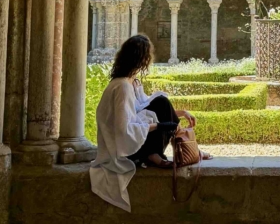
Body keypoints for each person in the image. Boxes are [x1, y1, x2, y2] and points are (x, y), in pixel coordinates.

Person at [89, 34, 211, 211]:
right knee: (161, 102)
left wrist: (181, 113)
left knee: (161, 102)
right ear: (141, 59)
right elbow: (124, 129)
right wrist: (160, 126)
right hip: (123, 151)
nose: (149, 60)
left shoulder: (131, 83)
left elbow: (145, 108)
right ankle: (161, 152)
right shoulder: (122, 87)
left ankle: (175, 149)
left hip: (130, 144)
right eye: (148, 56)